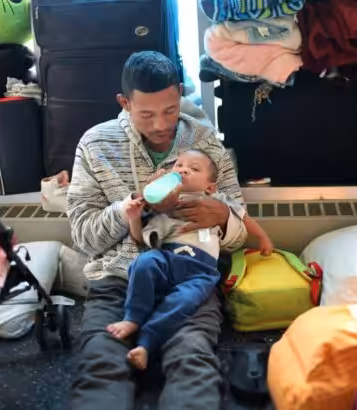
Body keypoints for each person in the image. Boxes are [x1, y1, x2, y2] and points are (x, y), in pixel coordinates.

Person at [68, 51, 248, 410]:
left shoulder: (206, 143)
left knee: (193, 361)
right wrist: (137, 206)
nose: (160, 125)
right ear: (124, 103)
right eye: (146, 114)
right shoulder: (95, 144)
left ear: (179, 93)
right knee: (101, 365)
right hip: (119, 279)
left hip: (190, 279)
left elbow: (240, 234)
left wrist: (223, 217)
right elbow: (84, 236)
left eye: (170, 110)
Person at [107, 149, 273, 370]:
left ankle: (147, 343)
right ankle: (133, 317)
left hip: (200, 271)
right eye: (179, 165)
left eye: (194, 169)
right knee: (143, 262)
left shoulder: (218, 200)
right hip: (167, 258)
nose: (183, 169)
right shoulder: (162, 206)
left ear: (210, 187)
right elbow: (140, 241)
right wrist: (134, 218)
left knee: (183, 302)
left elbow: (244, 218)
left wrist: (262, 237)